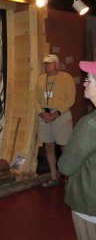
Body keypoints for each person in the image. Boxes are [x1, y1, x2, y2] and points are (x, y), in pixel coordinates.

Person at [58, 60, 96, 240]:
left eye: (89, 80)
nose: (85, 83)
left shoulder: (90, 124)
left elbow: (66, 166)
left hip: (89, 203)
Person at [34, 54, 76, 188]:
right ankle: (53, 177)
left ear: (56, 64)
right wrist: (41, 112)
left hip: (60, 114)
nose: (46, 66)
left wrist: (56, 113)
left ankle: (68, 179)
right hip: (44, 115)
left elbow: (70, 99)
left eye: (49, 63)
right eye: (44, 63)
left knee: (64, 147)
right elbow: (35, 98)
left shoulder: (66, 78)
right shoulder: (40, 79)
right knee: (48, 146)